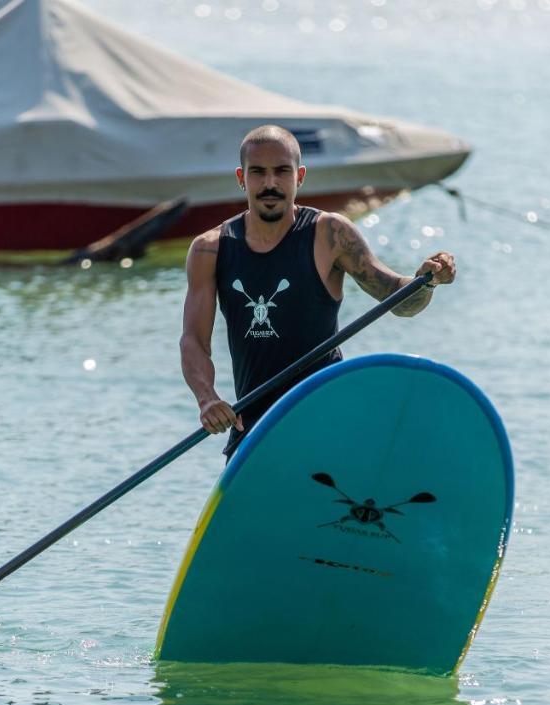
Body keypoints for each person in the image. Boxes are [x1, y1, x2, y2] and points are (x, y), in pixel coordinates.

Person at [180, 125, 456, 459]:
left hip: (328, 416)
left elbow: (400, 302)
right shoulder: (211, 250)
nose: (270, 184)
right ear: (242, 177)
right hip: (256, 427)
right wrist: (207, 398)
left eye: (282, 171)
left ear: (300, 177)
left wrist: (426, 281)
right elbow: (194, 340)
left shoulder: (330, 235)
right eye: (258, 172)